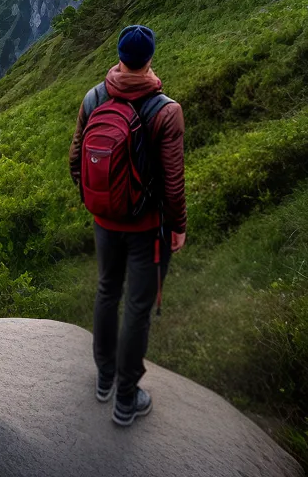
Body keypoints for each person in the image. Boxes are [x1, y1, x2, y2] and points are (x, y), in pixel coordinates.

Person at [69, 24, 186, 426]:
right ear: (150, 59)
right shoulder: (166, 111)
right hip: (147, 228)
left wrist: (100, 203)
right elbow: (173, 181)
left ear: (119, 55)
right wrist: (177, 225)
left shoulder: (94, 96)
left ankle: (103, 377)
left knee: (106, 292)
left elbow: (74, 162)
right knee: (136, 307)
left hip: (105, 222)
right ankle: (125, 398)